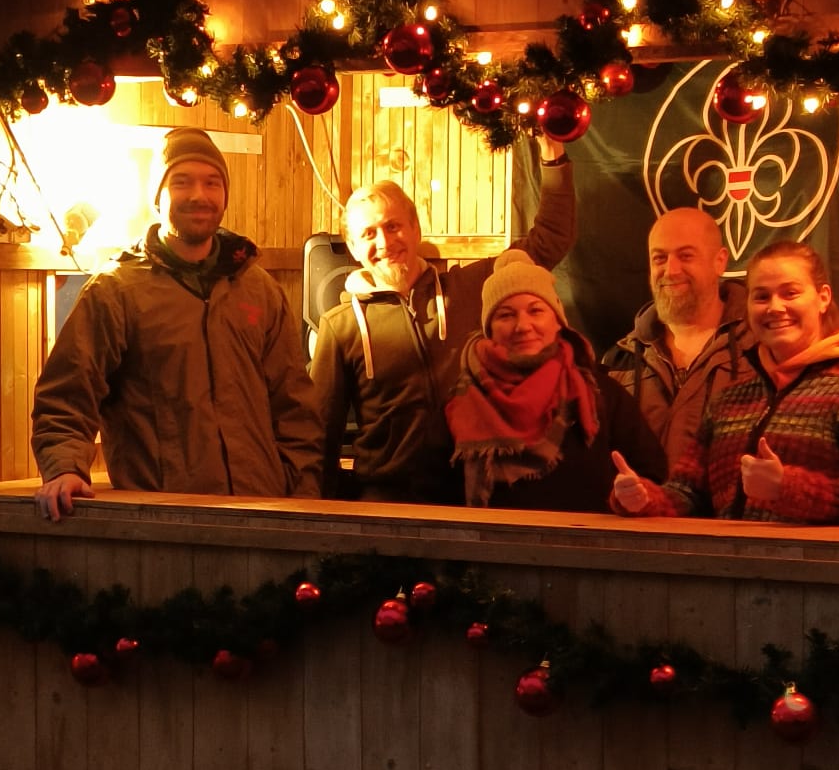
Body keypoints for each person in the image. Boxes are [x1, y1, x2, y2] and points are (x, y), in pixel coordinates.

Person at [32, 124, 320, 521]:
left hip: (261, 514)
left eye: (212, 182)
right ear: (157, 198)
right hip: (164, 522)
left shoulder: (259, 288)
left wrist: (301, 495)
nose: (199, 195)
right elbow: (67, 394)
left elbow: (295, 406)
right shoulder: (116, 291)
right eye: (181, 182)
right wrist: (64, 468)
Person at [311, 143, 576, 504]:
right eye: (369, 234)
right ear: (355, 248)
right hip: (387, 503)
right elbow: (320, 433)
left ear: (416, 228)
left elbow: (549, 241)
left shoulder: (469, 288)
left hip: (476, 494)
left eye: (393, 226)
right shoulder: (340, 327)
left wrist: (553, 158)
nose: (385, 241)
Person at [610, 239, 839, 526]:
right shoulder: (733, 397)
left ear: (823, 297)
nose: (775, 307)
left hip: (826, 583)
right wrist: (644, 499)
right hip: (729, 577)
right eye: (761, 296)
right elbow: (689, 493)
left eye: (790, 293)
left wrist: (788, 488)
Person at [447, 251, 658, 512]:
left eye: (535, 311)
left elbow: (655, 479)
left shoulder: (603, 395)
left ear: (558, 321)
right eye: (505, 315)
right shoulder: (460, 402)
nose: (522, 325)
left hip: (589, 551)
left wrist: (634, 497)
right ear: (489, 329)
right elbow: (430, 495)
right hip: (486, 552)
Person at [602, 205, 746, 479]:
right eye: (659, 258)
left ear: (720, 261)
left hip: (728, 522)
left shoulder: (759, 350)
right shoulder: (617, 360)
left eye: (686, 256)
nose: (671, 270)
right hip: (636, 519)